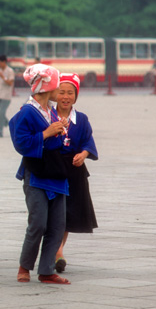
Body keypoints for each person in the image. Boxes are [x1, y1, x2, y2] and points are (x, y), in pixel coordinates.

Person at [9, 63, 71, 285]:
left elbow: (54, 140)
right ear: (46, 87)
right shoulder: (27, 112)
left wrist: (59, 128)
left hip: (56, 174)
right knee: (38, 223)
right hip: (36, 174)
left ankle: (46, 270)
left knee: (57, 225)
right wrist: (47, 132)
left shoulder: (50, 110)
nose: (60, 91)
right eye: (57, 86)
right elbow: (22, 143)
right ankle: (24, 266)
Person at [52, 73, 98, 273]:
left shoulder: (82, 119)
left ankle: (58, 251)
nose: (65, 96)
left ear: (76, 96)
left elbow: (88, 141)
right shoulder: (47, 115)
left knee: (68, 214)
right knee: (54, 212)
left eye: (70, 92)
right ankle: (56, 252)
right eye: (61, 92)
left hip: (74, 171)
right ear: (54, 94)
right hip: (52, 169)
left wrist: (84, 154)